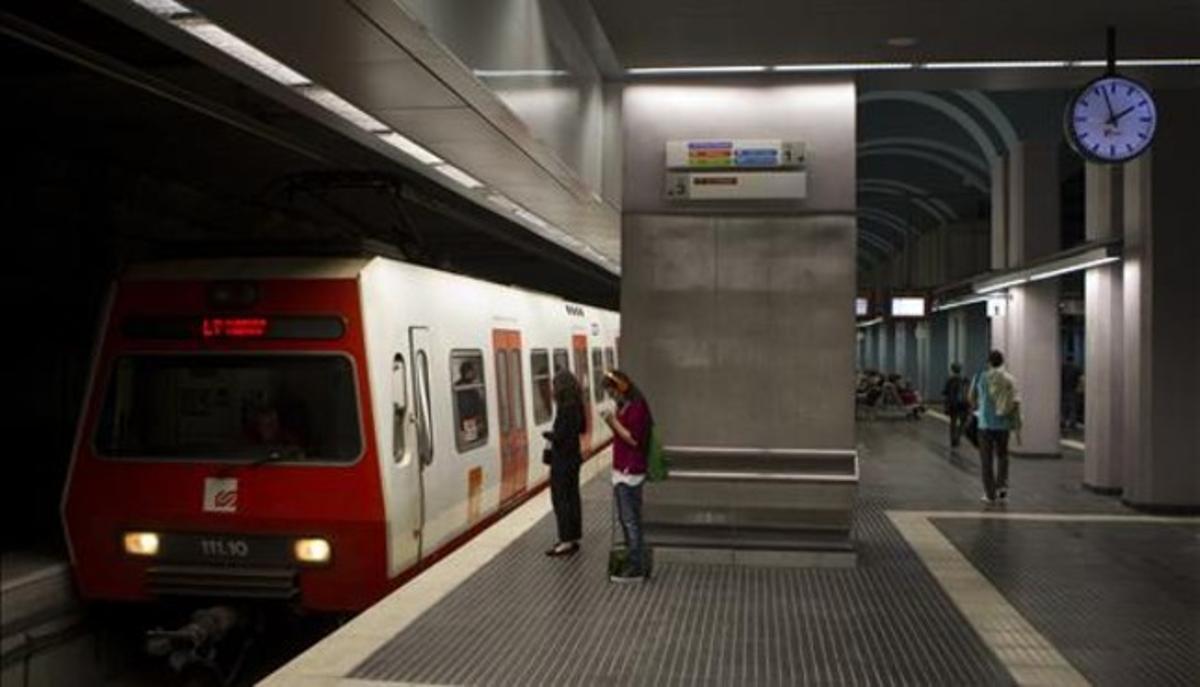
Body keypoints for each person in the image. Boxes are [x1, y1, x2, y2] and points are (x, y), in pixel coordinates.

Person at [600, 369, 651, 583]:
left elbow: (633, 439)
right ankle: (634, 560)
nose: (612, 396)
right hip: (624, 470)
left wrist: (612, 422)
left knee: (630, 520)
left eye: (612, 392)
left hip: (630, 472)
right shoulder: (628, 405)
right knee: (629, 518)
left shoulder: (637, 407)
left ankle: (636, 565)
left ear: (621, 388)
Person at [969, 350, 1022, 505]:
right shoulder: (1010, 378)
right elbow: (1015, 400)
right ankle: (1002, 487)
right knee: (1003, 455)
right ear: (1002, 362)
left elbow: (971, 397)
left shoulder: (980, 377)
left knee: (986, 459)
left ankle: (990, 493)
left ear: (989, 362)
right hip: (1003, 423)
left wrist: (978, 407)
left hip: (985, 424)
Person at [543, 370, 585, 557]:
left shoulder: (565, 408)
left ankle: (565, 541)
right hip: (574, 458)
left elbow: (561, 436)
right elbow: (581, 428)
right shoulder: (577, 404)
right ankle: (574, 537)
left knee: (561, 500)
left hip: (562, 461)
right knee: (572, 497)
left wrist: (549, 435)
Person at [454, 360, 486, 443]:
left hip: (470, 423)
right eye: (473, 371)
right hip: (468, 424)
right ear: (467, 372)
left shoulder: (468, 386)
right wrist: (478, 420)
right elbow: (467, 408)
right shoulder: (463, 388)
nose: (475, 373)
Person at [942, 363, 970, 447]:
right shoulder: (964, 380)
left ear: (952, 369)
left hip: (952, 404)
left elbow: (945, 392)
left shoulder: (949, 380)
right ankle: (958, 436)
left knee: (953, 422)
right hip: (963, 404)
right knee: (963, 421)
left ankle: (953, 439)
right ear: (960, 370)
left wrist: (946, 404)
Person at [1061, 355, 1083, 431]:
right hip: (1073, 391)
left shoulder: (1062, 368)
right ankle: (1072, 423)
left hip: (1063, 391)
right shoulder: (1076, 368)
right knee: (1073, 408)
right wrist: (1079, 389)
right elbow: (1081, 379)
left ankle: (1062, 422)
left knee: (1063, 407)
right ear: (1073, 360)